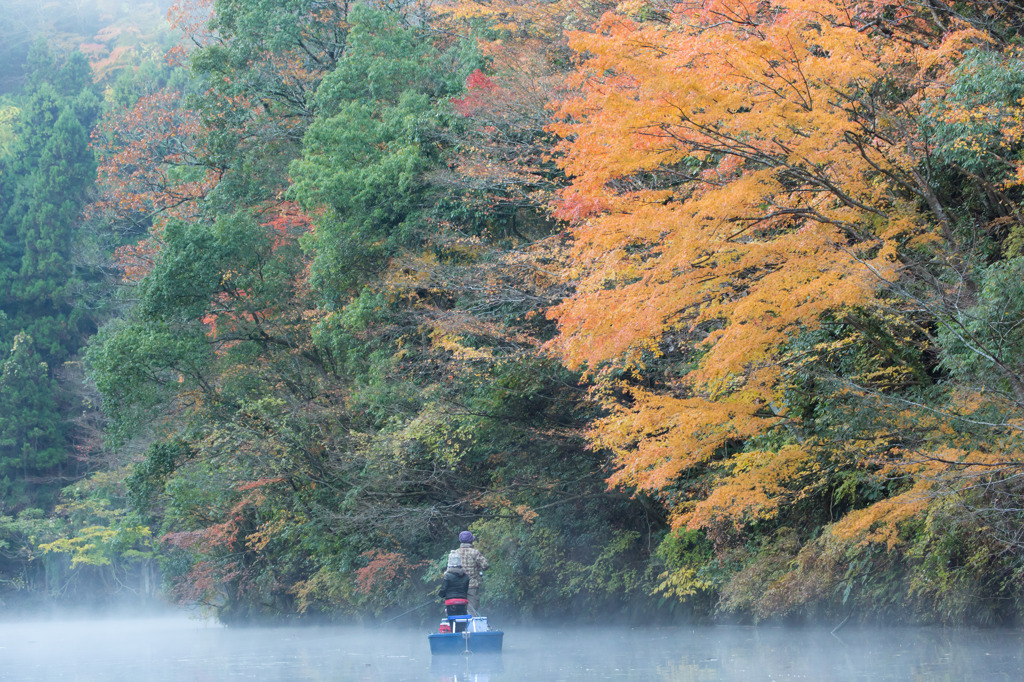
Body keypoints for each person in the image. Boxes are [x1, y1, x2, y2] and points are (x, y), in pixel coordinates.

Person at [455, 530, 489, 614]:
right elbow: (485, 565)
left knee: (459, 610)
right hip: (472, 586)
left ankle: (460, 626)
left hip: (457, 587)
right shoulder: (475, 552)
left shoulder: (455, 553)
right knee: (472, 611)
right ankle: (471, 626)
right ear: (471, 540)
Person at [438, 551, 470, 630]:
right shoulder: (466, 577)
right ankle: (463, 633)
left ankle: (454, 634)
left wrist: (441, 595)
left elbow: (443, 590)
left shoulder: (447, 576)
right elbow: (465, 591)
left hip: (451, 604)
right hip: (463, 602)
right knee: (462, 621)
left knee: (452, 621)